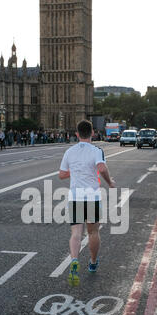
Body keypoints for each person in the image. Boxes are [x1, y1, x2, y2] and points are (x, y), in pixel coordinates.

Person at [59, 119, 116, 287]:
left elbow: (62, 174)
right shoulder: (96, 150)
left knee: (75, 233)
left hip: (75, 196)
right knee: (92, 232)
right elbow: (102, 168)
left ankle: (74, 260)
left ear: (76, 134)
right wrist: (110, 182)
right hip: (91, 197)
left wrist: (75, 170)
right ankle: (92, 262)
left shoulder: (69, 151)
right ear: (92, 133)